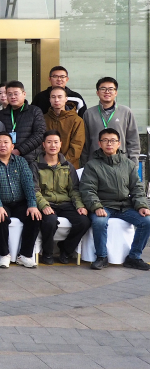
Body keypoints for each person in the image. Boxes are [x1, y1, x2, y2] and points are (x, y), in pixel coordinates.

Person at [80, 128, 150, 270]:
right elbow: (88, 190)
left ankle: (133, 257)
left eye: (113, 141)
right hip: (103, 205)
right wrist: (96, 207)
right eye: (105, 140)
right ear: (100, 143)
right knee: (99, 222)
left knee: (146, 221)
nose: (109, 144)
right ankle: (101, 257)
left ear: (119, 143)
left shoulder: (128, 164)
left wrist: (141, 205)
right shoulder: (92, 165)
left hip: (125, 206)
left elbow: (137, 188)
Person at [0, 132, 42, 269]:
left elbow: (28, 184)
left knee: (34, 217)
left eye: (6, 142)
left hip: (19, 202)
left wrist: (32, 205)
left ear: (12, 146)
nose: (2, 145)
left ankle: (25, 255)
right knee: (0, 217)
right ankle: (4, 255)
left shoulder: (21, 162)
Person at [33, 130, 90, 265]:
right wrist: (44, 205)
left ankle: (66, 250)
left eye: (56, 142)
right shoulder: (36, 165)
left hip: (66, 203)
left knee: (84, 222)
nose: (53, 145)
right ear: (43, 145)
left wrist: (80, 205)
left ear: (60, 144)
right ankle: (47, 252)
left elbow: (74, 190)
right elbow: (34, 189)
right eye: (49, 142)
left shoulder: (68, 166)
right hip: (47, 203)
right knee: (50, 221)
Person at [81, 77, 140, 167]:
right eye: (103, 89)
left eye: (111, 89)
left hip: (121, 163)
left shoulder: (126, 112)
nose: (107, 92)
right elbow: (85, 143)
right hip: (95, 163)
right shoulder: (89, 113)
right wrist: (84, 165)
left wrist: (133, 165)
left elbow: (133, 141)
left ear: (116, 92)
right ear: (97, 92)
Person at [0, 81, 46, 163]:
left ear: (24, 94)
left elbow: (40, 134)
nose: (13, 97)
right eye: (9, 94)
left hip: (31, 159)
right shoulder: (1, 114)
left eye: (16, 94)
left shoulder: (34, 111)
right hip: (7, 159)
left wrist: (19, 150)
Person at [44, 86, 85, 168]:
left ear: (66, 99)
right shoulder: (43, 118)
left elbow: (77, 146)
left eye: (60, 97)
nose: (56, 100)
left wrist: (61, 163)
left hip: (69, 167)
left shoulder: (76, 120)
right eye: (53, 97)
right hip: (46, 165)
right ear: (49, 100)